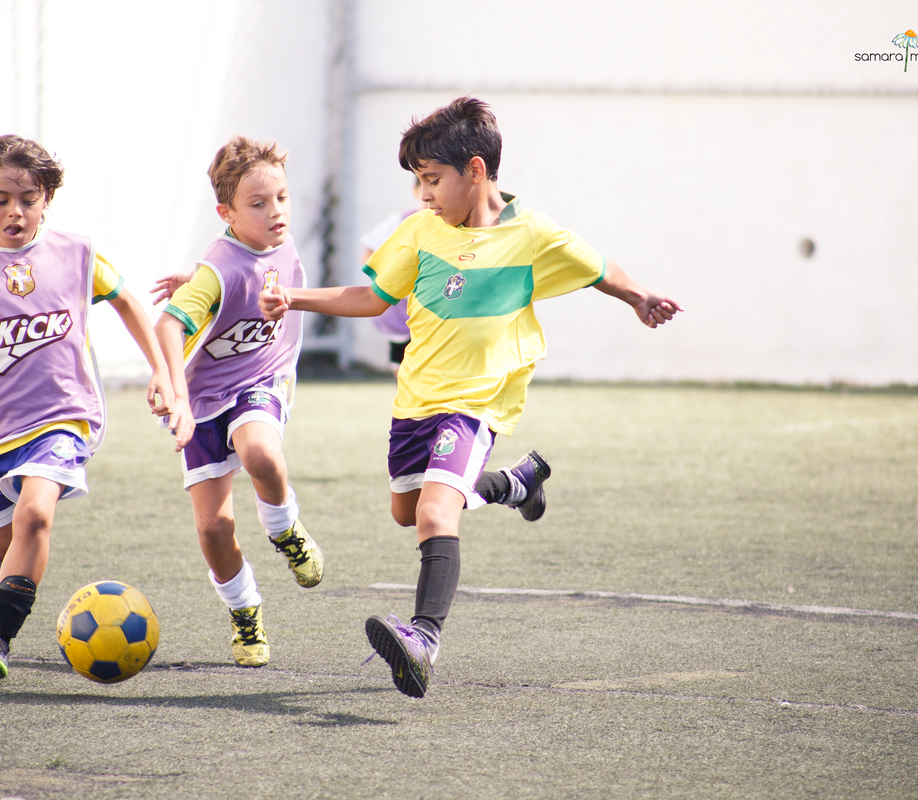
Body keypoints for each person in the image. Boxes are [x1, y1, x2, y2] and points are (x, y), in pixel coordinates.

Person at [260, 97, 682, 698]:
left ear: (476, 171)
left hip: (476, 403)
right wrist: (294, 299)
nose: (424, 194)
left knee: (435, 514)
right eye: (418, 182)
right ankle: (515, 484)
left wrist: (639, 296)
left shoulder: (531, 234)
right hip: (416, 402)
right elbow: (372, 297)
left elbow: (596, 266)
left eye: (433, 180)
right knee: (407, 512)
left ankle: (422, 640)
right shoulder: (419, 233)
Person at [0, 134, 175, 682]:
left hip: (64, 417)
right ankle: (21, 581)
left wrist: (161, 371)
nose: (15, 211)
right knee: (2, 547)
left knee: (36, 513)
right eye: (2, 198)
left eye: (28, 199)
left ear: (46, 200)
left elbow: (127, 302)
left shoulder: (76, 255)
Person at [151, 136, 324, 669]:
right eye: (259, 204)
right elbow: (169, 323)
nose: (276, 212)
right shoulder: (216, 270)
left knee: (262, 455)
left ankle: (284, 529)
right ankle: (246, 613)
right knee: (213, 529)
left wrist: (217, 287)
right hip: (202, 399)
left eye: (282, 198)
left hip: (259, 380)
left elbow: (245, 281)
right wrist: (169, 384)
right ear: (226, 212)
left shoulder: (279, 243)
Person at [360, 177, 426, 371]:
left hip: (434, 314)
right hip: (401, 315)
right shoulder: (401, 222)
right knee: (402, 366)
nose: (430, 195)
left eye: (436, 183)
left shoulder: (454, 226)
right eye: (424, 185)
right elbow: (368, 254)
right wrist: (393, 284)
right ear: (415, 191)